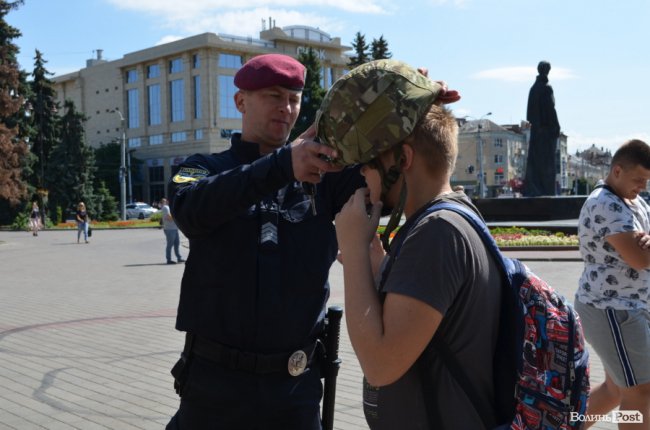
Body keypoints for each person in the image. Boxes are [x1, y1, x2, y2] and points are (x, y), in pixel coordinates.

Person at [165, 53, 365, 429]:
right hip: (213, 388)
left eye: (293, 98)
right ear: (240, 101)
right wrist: (282, 166)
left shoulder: (326, 175)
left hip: (294, 390)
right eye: (273, 96)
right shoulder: (201, 168)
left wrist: (400, 102)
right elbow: (191, 209)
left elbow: (386, 172)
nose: (286, 108)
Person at [322, 60, 503, 428]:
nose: (361, 173)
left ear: (402, 159)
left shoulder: (437, 232)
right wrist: (380, 267)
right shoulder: (451, 216)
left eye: (368, 163)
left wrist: (355, 251)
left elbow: (381, 364)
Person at [575, 139, 650, 429]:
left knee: (616, 390)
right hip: (612, 309)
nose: (642, 186)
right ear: (617, 170)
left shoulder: (632, 200)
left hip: (622, 307)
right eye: (638, 179)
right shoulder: (604, 204)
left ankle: (566, 426)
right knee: (641, 389)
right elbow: (639, 259)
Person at [523, 60, 561, 197]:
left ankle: (535, 190)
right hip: (546, 132)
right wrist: (556, 127)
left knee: (536, 164)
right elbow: (551, 110)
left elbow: (529, 113)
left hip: (536, 132)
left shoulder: (533, 89)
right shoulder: (546, 88)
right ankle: (546, 191)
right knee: (547, 165)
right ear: (547, 71)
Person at [160, 198, 183, 264]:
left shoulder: (169, 207)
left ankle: (179, 258)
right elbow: (169, 218)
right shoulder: (165, 207)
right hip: (169, 229)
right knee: (170, 245)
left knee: (177, 244)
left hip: (174, 228)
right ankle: (169, 259)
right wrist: (177, 216)